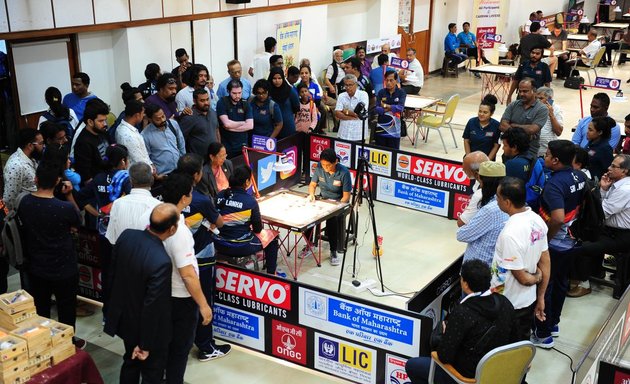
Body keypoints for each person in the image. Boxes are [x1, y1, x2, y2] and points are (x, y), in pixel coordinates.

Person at [405, 260, 516, 384]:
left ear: (466, 284)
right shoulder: (505, 302)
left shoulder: (462, 312)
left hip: (467, 377)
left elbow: (444, 356)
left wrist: (447, 334)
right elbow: (515, 338)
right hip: (498, 371)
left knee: (412, 365)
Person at [147, 172, 211, 383]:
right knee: (179, 350)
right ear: (185, 197)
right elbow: (188, 275)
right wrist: (203, 304)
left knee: (163, 346)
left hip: (160, 291)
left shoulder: (155, 214)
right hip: (179, 299)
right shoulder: (179, 231)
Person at [105, 203, 178, 384]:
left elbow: (111, 274)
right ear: (172, 229)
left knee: (129, 362)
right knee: (152, 372)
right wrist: (145, 344)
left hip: (125, 318)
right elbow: (153, 306)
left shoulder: (127, 235)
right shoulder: (161, 261)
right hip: (147, 330)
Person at [19, 162, 85, 349]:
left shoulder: (25, 202)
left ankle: (43, 344)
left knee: (41, 308)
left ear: (35, 179)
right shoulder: (64, 208)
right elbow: (78, 221)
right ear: (57, 181)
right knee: (66, 309)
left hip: (37, 266)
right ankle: (67, 344)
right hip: (64, 267)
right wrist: (70, 194)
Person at [174, 154, 230, 362]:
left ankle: (184, 342)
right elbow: (221, 223)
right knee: (204, 300)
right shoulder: (200, 199)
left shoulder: (168, 193)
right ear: (197, 175)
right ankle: (206, 346)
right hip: (201, 258)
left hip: (176, 259)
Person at [531, 140, 586, 348]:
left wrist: (545, 241)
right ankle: (553, 324)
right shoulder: (579, 175)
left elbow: (558, 218)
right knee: (561, 284)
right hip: (570, 242)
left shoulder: (554, 184)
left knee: (544, 287)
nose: (544, 158)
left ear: (555, 160)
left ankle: (543, 333)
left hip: (554, 245)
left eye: (546, 155)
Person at [491, 177, 550, 345]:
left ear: (507, 202)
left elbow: (523, 278)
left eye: (498, 197)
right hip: (527, 301)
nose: (496, 201)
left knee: (504, 353)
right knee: (520, 349)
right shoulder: (537, 220)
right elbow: (546, 261)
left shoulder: (510, 234)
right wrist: (541, 297)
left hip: (508, 304)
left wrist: (537, 278)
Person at [570, 155, 630, 298]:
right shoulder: (617, 184)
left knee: (581, 247)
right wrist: (603, 189)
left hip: (622, 236)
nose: (609, 168)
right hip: (609, 230)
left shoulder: (625, 189)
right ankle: (596, 271)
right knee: (582, 234)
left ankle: (583, 283)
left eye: (614, 167)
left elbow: (601, 213)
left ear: (625, 171)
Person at [214, 166, 279, 275]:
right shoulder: (250, 201)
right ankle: (271, 275)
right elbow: (258, 229)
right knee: (273, 237)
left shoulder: (220, 195)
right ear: (247, 181)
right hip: (240, 246)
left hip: (218, 243)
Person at [457, 161, 508, 266]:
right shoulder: (510, 201)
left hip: (479, 265)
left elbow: (462, 234)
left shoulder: (489, 208)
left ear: (480, 179)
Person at [307, 148, 352, 266]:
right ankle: (309, 245)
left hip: (339, 203)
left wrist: (335, 207)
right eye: (323, 164)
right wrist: (311, 194)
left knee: (332, 219)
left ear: (335, 162)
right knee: (308, 216)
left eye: (328, 165)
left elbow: (346, 196)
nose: (325, 168)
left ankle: (333, 251)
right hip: (323, 200)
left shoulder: (344, 173)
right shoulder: (319, 168)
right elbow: (312, 185)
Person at [105, 162, 161, 245]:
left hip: (122, 254)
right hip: (147, 256)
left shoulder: (117, 204)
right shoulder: (159, 206)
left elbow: (112, 239)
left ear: (131, 181)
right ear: (152, 180)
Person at [500, 79, 548, 160]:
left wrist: (513, 125)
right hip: (510, 150)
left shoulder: (542, 109)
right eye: (520, 91)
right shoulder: (513, 105)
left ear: (534, 91)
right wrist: (523, 133)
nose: (522, 94)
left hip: (529, 151)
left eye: (525, 91)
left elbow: (532, 129)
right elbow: (502, 125)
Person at [72, 98, 110, 186]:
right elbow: (87, 179)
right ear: (90, 122)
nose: (105, 124)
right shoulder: (83, 143)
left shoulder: (103, 131)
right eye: (101, 121)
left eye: (105, 120)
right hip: (99, 187)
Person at [141, 103, 186, 176]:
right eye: (158, 119)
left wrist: (183, 163)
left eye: (163, 116)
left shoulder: (173, 124)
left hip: (180, 171)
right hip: (163, 175)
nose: (162, 120)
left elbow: (181, 144)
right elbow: (147, 158)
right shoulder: (145, 135)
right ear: (150, 119)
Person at [3, 129, 43, 210]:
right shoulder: (15, 166)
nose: (43, 146)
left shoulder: (31, 158)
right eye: (41, 143)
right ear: (30, 146)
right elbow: (9, 199)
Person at [216, 79, 253, 159]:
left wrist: (231, 127)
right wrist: (243, 123)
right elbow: (227, 124)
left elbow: (250, 126)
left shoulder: (245, 104)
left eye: (240, 93)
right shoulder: (222, 102)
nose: (237, 96)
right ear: (228, 91)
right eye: (234, 93)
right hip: (228, 147)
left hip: (243, 145)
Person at [179, 89, 219, 157]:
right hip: (198, 160)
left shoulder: (212, 112)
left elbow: (216, 130)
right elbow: (181, 139)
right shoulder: (189, 117)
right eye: (202, 100)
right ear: (194, 101)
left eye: (207, 99)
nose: (206, 103)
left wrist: (219, 148)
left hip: (214, 156)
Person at [115, 100, 153, 167]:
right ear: (137, 115)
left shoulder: (125, 128)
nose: (144, 116)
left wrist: (151, 164)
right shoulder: (128, 135)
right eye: (143, 113)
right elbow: (140, 160)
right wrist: (153, 171)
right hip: (139, 173)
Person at [374, 70, 406, 149]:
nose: (388, 82)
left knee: (393, 153)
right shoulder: (381, 92)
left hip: (395, 130)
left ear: (396, 80)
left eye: (391, 80)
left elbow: (400, 108)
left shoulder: (401, 93)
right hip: (381, 128)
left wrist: (385, 105)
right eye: (386, 80)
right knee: (380, 151)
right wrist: (391, 108)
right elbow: (377, 109)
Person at [457, 151, 490, 227]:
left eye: (464, 165)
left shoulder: (480, 194)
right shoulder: (478, 182)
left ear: (475, 172)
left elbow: (461, 223)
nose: (462, 169)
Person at [463, 94, 500, 160]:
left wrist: (487, 162)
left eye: (485, 112)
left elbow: (496, 146)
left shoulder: (496, 125)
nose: (481, 114)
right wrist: (468, 158)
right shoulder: (471, 122)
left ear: (491, 113)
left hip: (487, 161)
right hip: (471, 159)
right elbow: (466, 140)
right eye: (480, 111)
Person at [335, 74, 370, 142]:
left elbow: (359, 113)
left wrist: (345, 111)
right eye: (346, 85)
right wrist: (351, 116)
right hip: (343, 133)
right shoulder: (341, 96)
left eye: (350, 85)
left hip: (358, 134)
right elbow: (337, 113)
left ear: (356, 85)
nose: (348, 87)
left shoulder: (363, 95)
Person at [268, 67, 300, 139]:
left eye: (279, 78)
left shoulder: (289, 90)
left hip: (287, 127)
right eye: (274, 78)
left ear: (283, 78)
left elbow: (297, 108)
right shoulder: (267, 91)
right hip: (271, 127)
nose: (277, 81)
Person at [585, 116, 615, 180]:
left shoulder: (605, 149)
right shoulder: (591, 143)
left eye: (590, 130)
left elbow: (609, 171)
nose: (587, 132)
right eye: (588, 129)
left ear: (599, 132)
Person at [536, 87, 564, 157]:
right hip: (533, 150)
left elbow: (558, 132)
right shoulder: (534, 107)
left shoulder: (557, 109)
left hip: (547, 152)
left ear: (550, 99)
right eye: (536, 98)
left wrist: (551, 114)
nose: (538, 101)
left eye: (541, 98)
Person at [297, 65, 325, 131]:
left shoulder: (315, 86)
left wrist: (316, 108)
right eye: (302, 73)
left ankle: (318, 130)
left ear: (310, 74)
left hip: (313, 107)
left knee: (319, 114)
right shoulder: (297, 86)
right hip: (301, 109)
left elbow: (318, 100)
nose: (304, 75)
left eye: (306, 73)